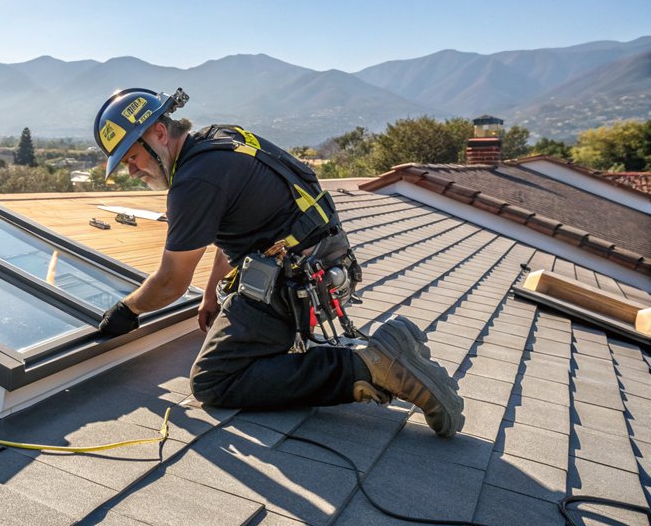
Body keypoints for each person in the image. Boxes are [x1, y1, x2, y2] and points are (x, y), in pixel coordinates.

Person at [93, 88, 464, 437]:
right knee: (247, 348)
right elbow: (235, 231)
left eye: (132, 157)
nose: (132, 171)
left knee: (214, 379)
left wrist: (128, 310)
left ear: (159, 132)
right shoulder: (217, 139)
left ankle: (371, 367)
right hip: (320, 264)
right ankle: (393, 350)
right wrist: (211, 296)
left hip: (289, 284)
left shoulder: (194, 182)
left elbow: (171, 282)